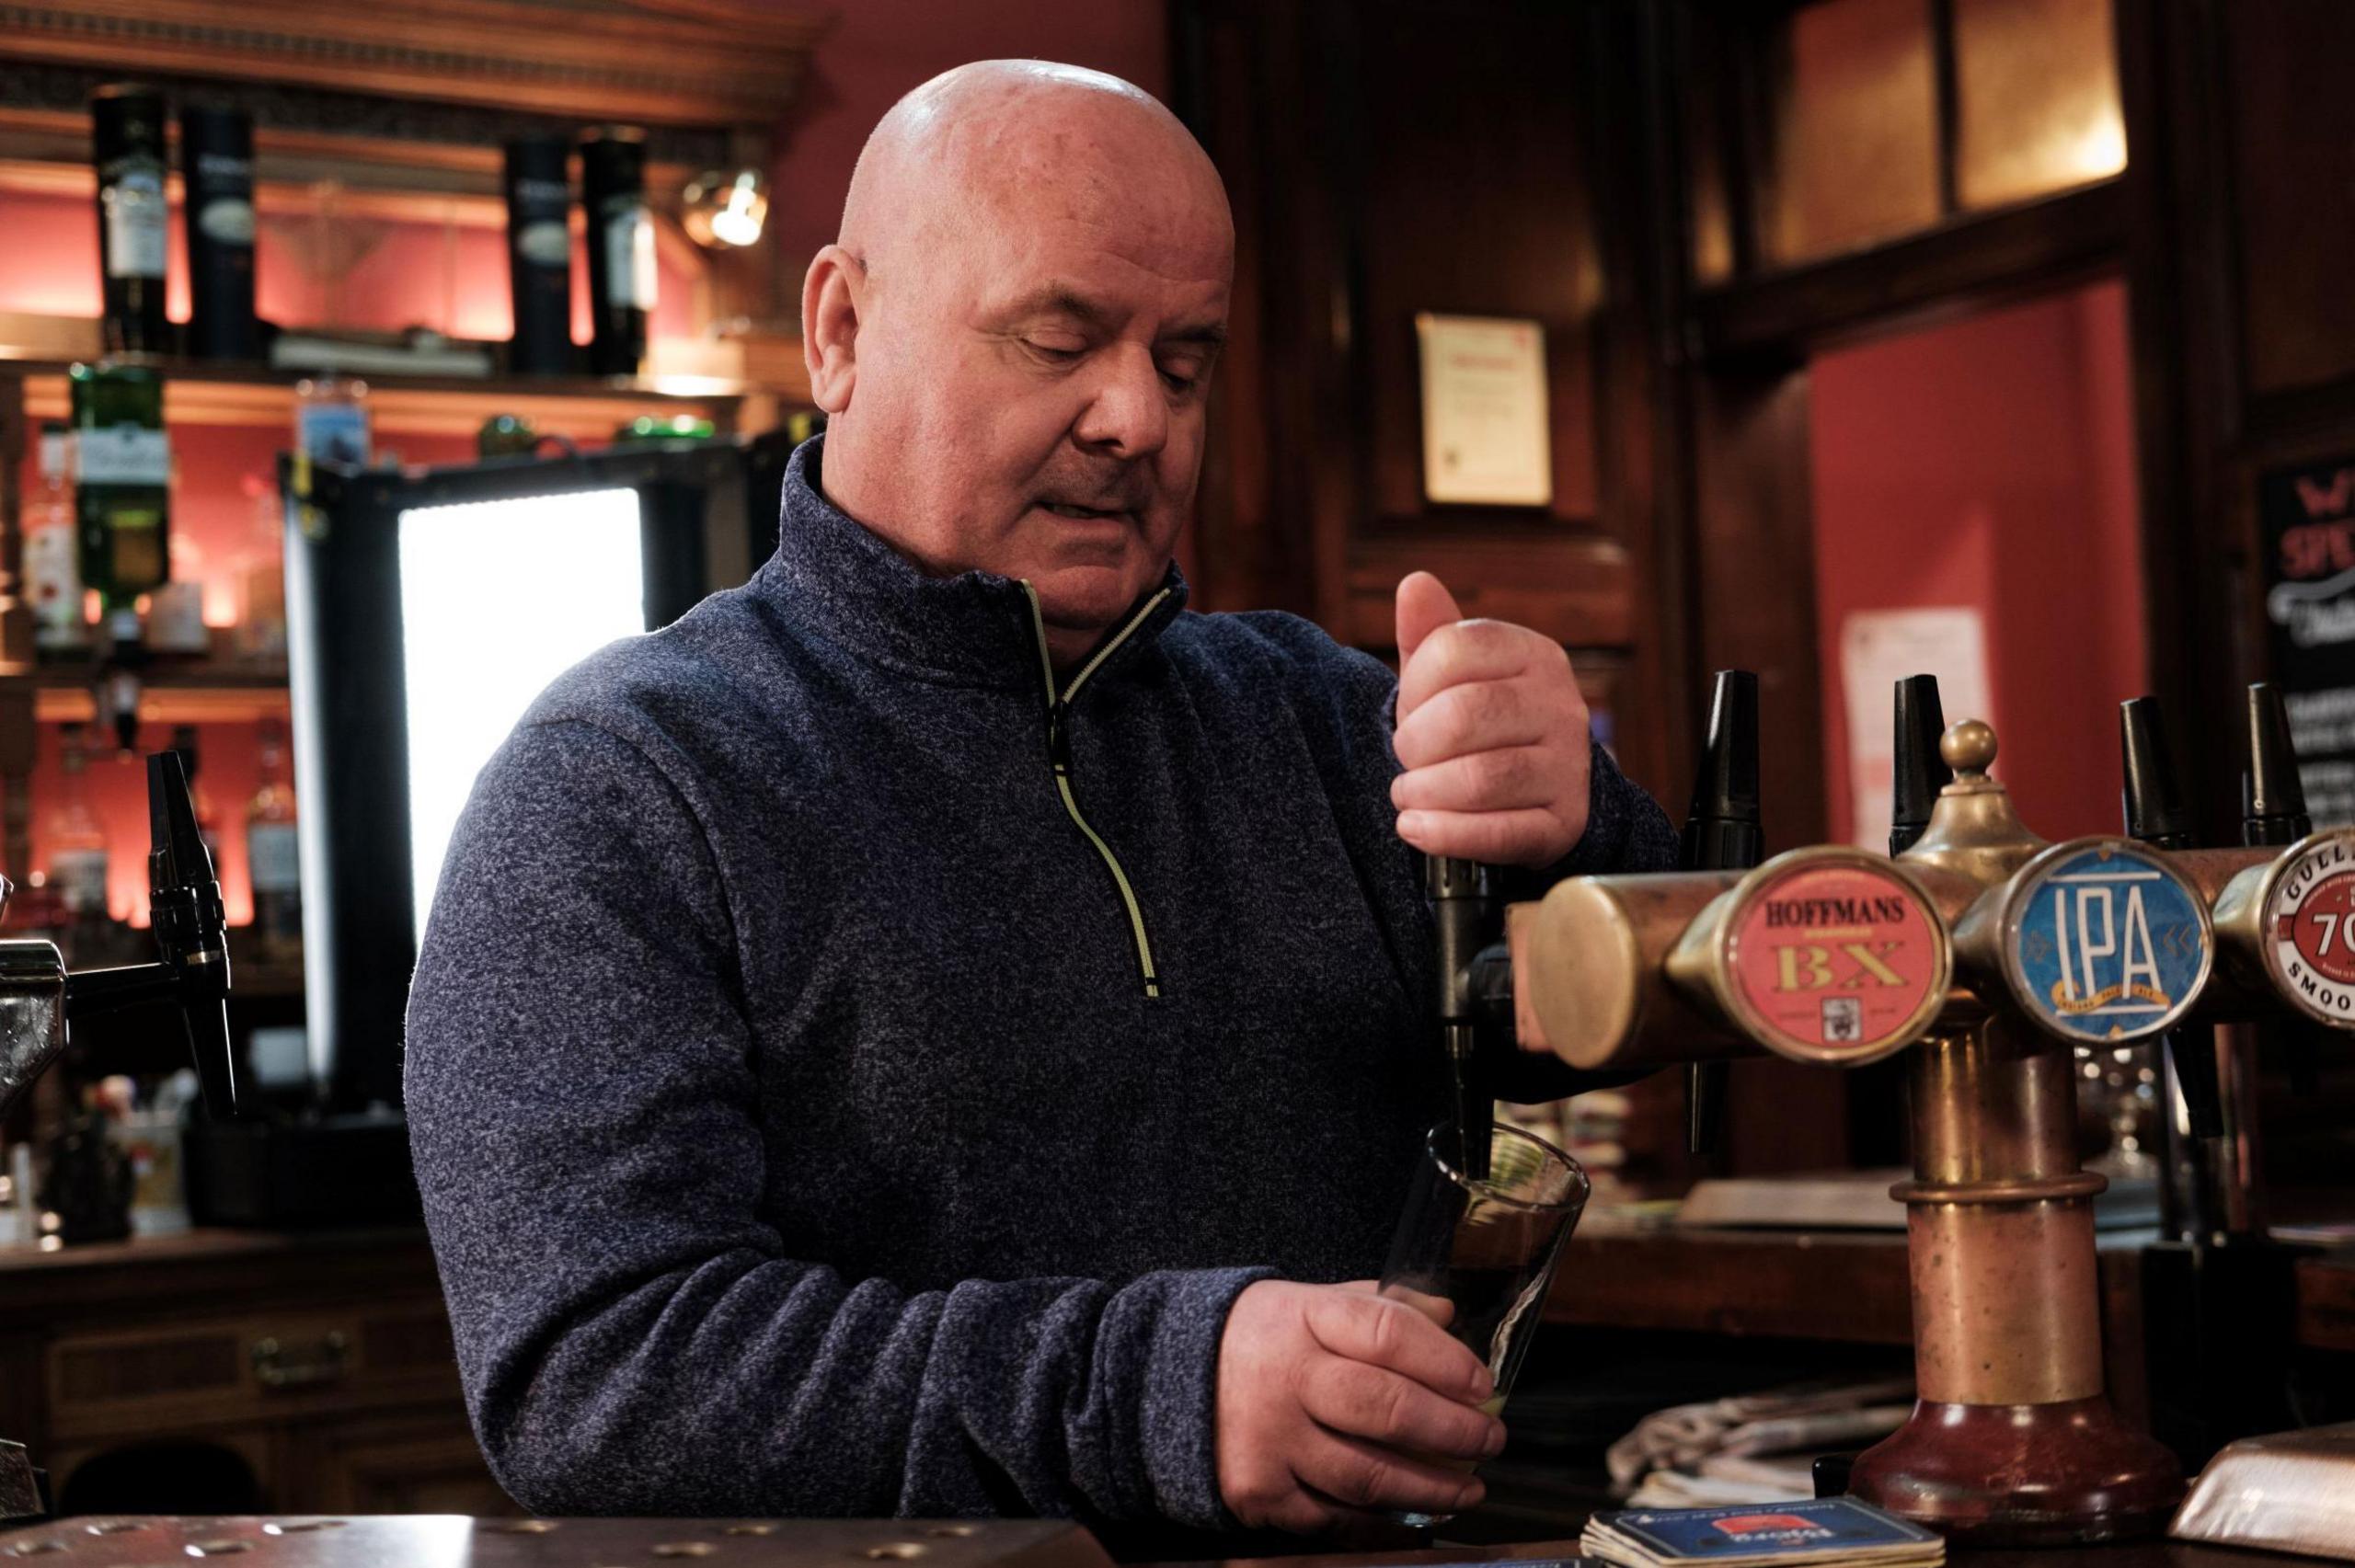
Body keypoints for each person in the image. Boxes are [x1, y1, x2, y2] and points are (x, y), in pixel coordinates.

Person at [405, 59, 1675, 1551]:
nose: (1136, 416)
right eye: (1057, 338)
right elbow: (599, 1380)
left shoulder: (1330, 722)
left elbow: (1689, 1017)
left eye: (1187, 361)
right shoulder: (619, 787)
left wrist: (1587, 822)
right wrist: (1160, 1393)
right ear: (841, 330)